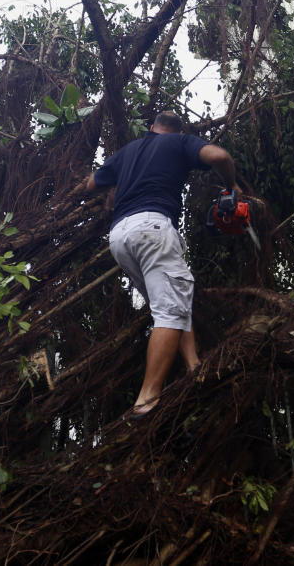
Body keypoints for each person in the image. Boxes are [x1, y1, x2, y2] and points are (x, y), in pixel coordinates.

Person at [84, 111, 242, 418]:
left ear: (152, 127)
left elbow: (91, 184)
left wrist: (119, 180)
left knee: (170, 301)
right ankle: (146, 400)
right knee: (170, 307)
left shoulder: (128, 151)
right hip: (153, 228)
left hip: (119, 237)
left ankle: (194, 365)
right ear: (176, 130)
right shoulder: (179, 142)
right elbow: (219, 155)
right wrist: (231, 186)